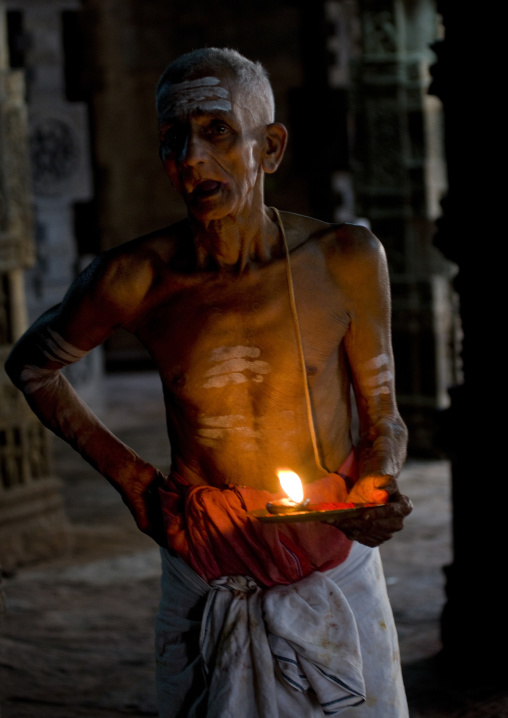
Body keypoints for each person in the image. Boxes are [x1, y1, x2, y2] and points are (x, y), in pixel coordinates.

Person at [5, 47, 412, 717]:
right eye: (173, 139)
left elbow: (383, 418)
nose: (191, 158)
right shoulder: (137, 277)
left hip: (331, 560)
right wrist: (135, 483)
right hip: (204, 561)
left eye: (216, 131)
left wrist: (377, 483)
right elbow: (32, 365)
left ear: (271, 148)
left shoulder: (344, 260)